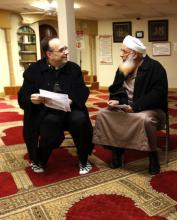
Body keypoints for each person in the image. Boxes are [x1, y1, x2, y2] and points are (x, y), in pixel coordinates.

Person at [93, 35, 168, 175]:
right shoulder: (124, 67)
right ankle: (117, 151)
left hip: (150, 109)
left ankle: (153, 155)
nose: (121, 55)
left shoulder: (155, 68)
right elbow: (115, 88)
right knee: (104, 114)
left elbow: (157, 95)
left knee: (144, 119)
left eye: (124, 51)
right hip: (125, 107)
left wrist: (135, 107)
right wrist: (116, 100)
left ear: (134, 53)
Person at [18, 37, 93, 175]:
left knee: (80, 120)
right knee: (50, 126)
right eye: (62, 50)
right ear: (49, 54)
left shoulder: (74, 68)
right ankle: (40, 159)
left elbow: (82, 90)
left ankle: (83, 160)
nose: (66, 52)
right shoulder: (34, 70)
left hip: (70, 109)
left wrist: (72, 99)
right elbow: (23, 97)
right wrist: (31, 100)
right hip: (45, 112)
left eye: (66, 48)